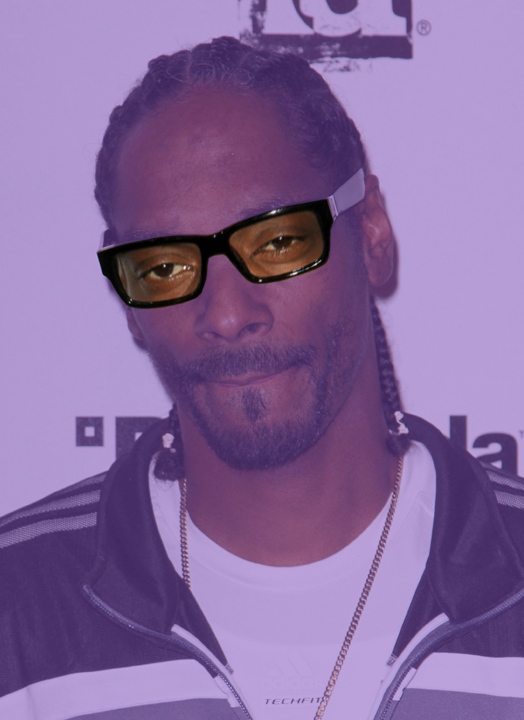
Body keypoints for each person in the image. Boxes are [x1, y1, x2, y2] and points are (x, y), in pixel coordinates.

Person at [1, 36, 523, 720]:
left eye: (277, 243)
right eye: (165, 267)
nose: (226, 314)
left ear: (370, 233)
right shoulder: (17, 607)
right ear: (128, 298)